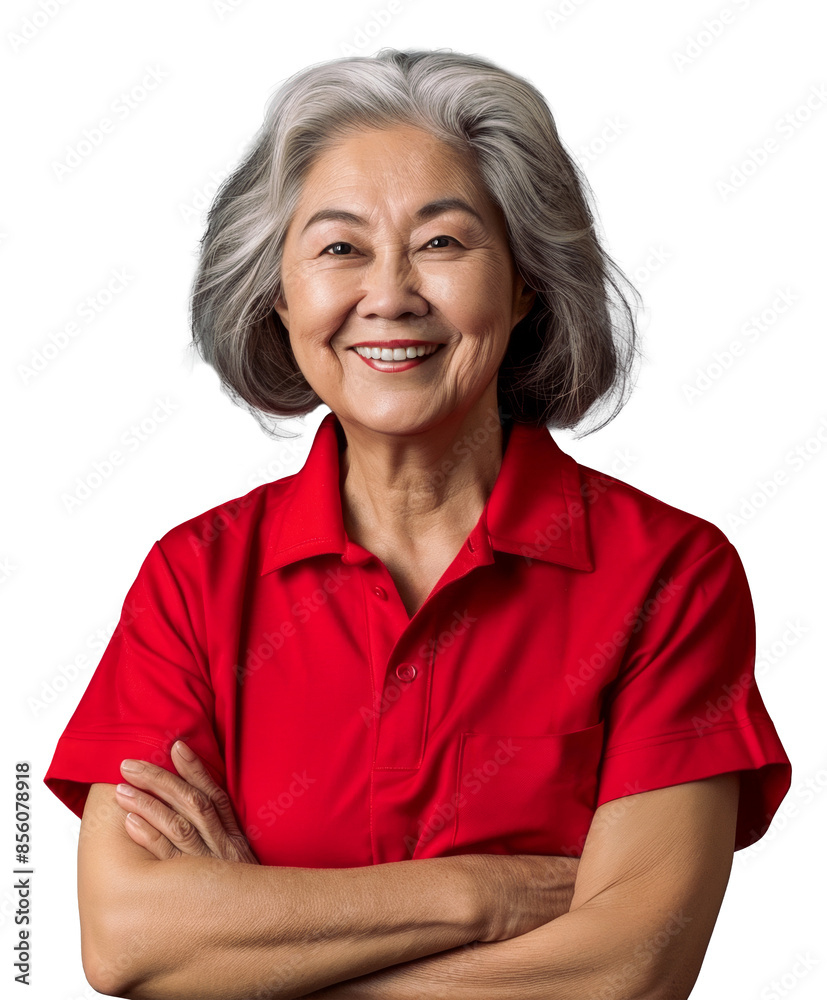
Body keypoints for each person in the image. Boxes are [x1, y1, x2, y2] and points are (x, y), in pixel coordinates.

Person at [44, 48, 791, 1000]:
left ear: (526, 283)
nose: (389, 293)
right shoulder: (193, 577)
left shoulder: (668, 576)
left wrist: (256, 952)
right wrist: (484, 896)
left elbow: (626, 974)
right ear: (278, 294)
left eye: (442, 243)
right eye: (339, 248)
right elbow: (125, 940)